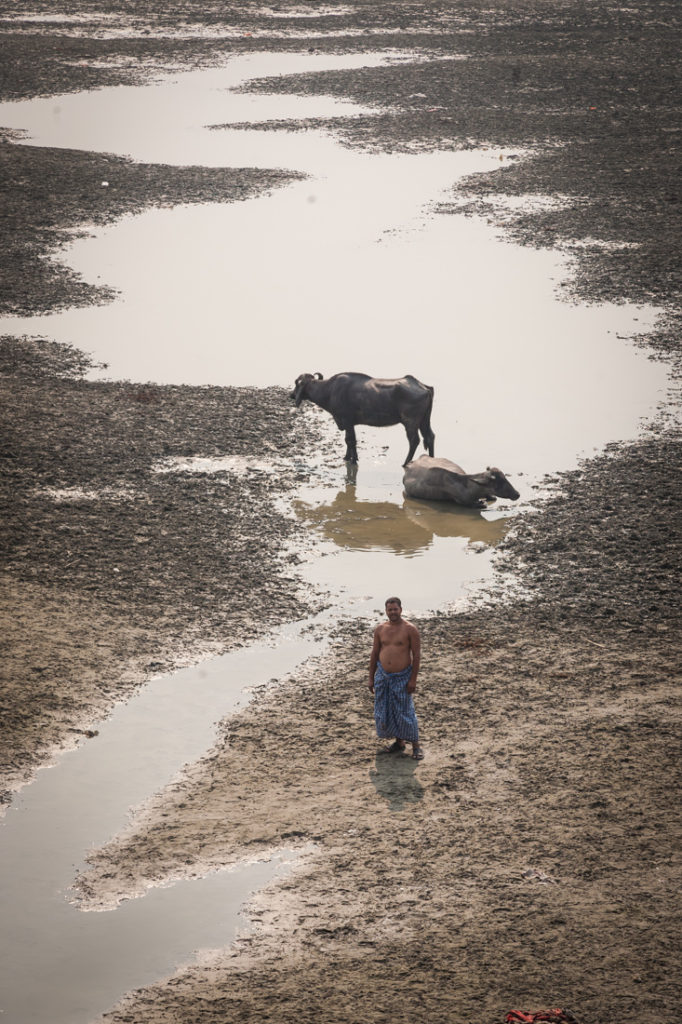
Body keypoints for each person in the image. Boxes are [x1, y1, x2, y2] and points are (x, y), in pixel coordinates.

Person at [368, 596, 423, 760]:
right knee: (387, 710)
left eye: (395, 609)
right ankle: (399, 742)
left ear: (401, 609)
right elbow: (375, 653)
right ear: (386, 611)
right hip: (383, 676)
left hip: (402, 676)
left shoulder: (410, 629)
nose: (392, 612)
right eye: (389, 609)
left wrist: (413, 679)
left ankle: (416, 745)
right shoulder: (380, 629)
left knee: (405, 711)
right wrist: (371, 677)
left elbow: (417, 655)